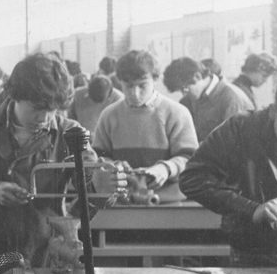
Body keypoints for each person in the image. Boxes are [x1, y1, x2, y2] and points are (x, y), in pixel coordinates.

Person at [0, 53, 125, 268]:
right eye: (37, 108)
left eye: (52, 110)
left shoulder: (71, 134)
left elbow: (88, 197)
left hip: (48, 252)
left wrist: (100, 186)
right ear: (15, 95)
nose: (45, 118)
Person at [180, 79, 277, 266]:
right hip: (253, 251)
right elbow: (192, 179)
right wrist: (252, 208)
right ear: (275, 112)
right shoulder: (240, 128)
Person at [93, 50, 198, 190]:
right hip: (122, 200)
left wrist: (166, 168)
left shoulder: (177, 113)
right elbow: (99, 157)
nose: (135, 93)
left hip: (167, 200)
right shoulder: (109, 115)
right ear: (120, 82)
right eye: (128, 86)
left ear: (155, 79)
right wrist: (112, 166)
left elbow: (189, 158)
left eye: (142, 85)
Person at [162, 56, 254, 140]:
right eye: (180, 91)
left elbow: (234, 143)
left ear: (198, 76)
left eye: (185, 88)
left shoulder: (232, 99)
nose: (184, 94)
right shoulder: (188, 101)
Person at [67, 75, 122, 142]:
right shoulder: (77, 95)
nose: (95, 103)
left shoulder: (119, 100)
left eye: (100, 101)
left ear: (110, 94)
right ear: (88, 89)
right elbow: (69, 118)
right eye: (92, 98)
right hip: (81, 140)